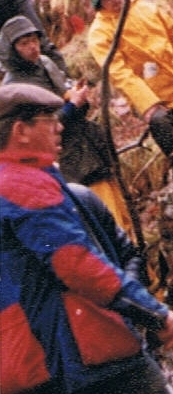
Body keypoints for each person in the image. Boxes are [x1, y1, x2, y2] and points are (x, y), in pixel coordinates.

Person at [0, 83, 173, 394]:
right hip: (91, 361)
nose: (60, 126)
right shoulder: (22, 183)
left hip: (52, 372)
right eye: (49, 120)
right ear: (20, 131)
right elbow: (76, 265)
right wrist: (155, 314)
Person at [0, 15, 133, 233]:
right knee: (107, 222)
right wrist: (71, 107)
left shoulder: (46, 64)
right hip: (69, 162)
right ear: (11, 50)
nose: (33, 47)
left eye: (34, 40)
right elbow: (37, 133)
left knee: (123, 215)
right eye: (24, 43)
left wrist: (77, 99)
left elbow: (67, 99)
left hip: (89, 149)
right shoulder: (14, 89)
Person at [84, 0, 173, 178]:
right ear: (99, 4)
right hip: (149, 94)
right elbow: (120, 73)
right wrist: (148, 103)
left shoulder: (144, 7)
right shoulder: (100, 33)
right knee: (163, 126)